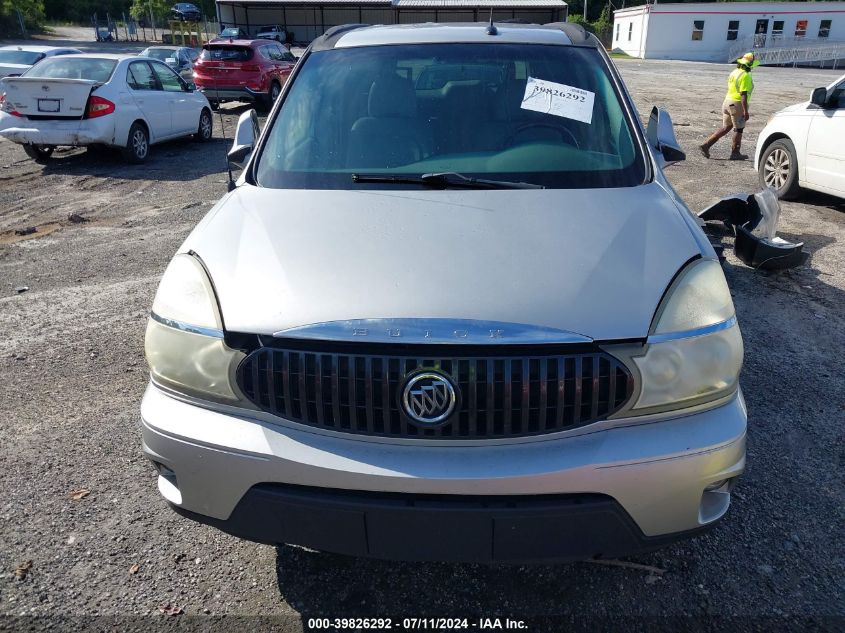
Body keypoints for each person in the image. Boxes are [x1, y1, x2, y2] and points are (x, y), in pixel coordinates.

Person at [699, 52, 760, 160]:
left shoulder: (735, 72)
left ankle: (706, 145)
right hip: (736, 104)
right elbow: (743, 94)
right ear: (750, 65)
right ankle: (735, 153)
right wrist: (745, 111)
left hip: (727, 102)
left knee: (726, 127)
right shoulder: (745, 75)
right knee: (739, 129)